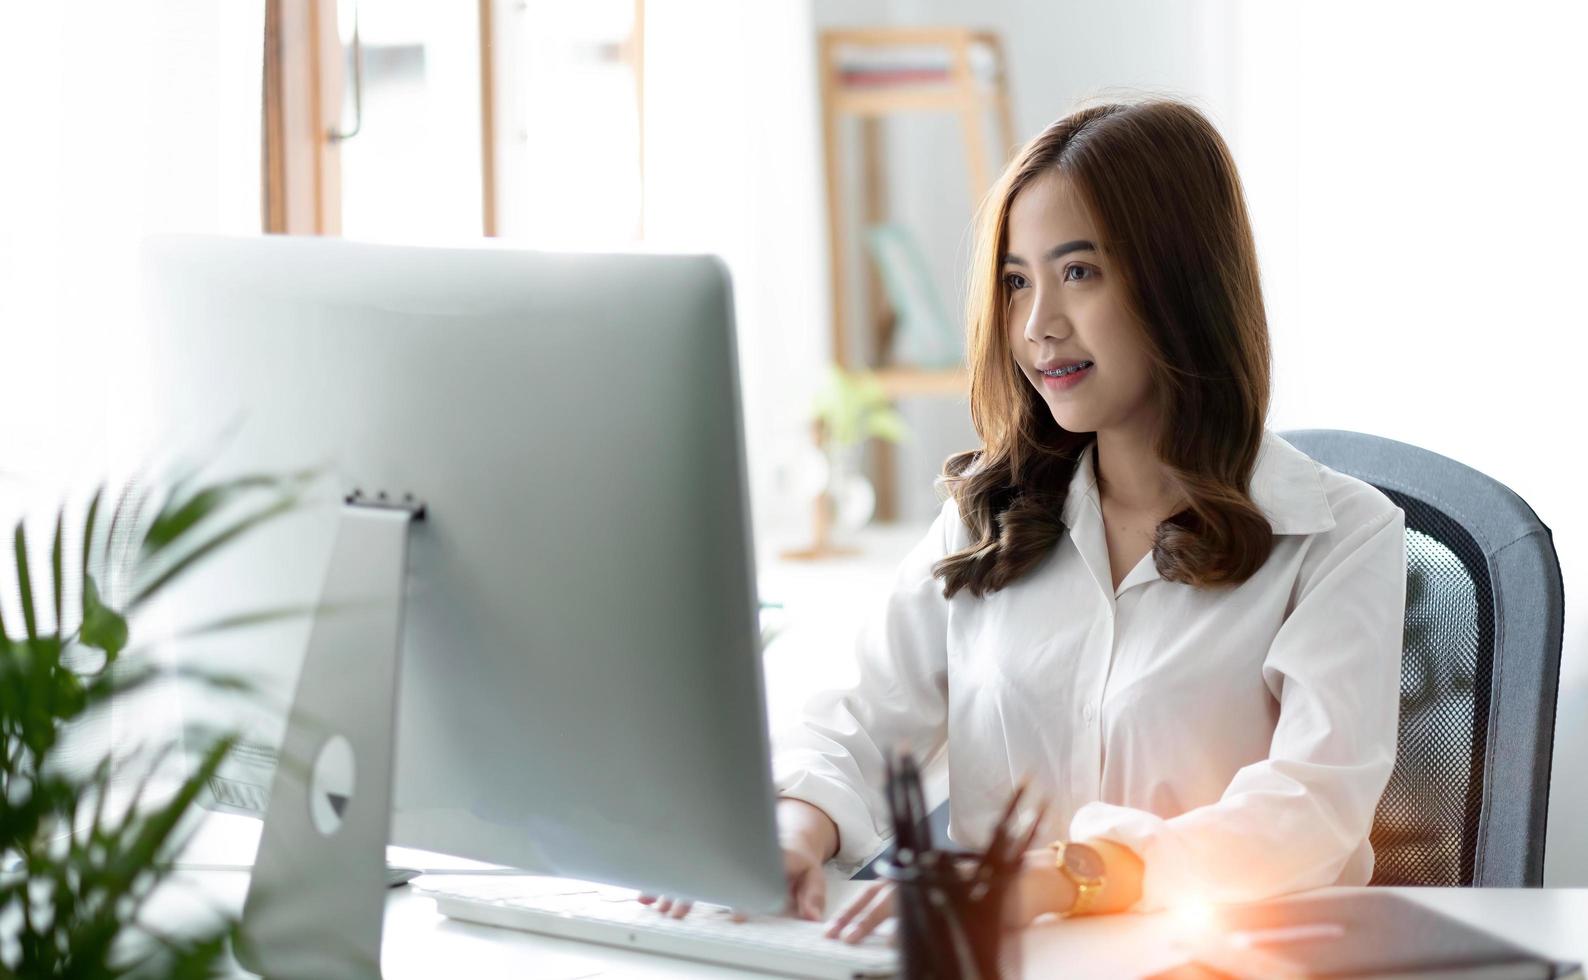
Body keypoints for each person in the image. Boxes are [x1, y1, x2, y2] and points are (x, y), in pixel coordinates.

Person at [644, 96, 1407, 944]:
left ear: (1181, 280)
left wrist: (1066, 879)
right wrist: (794, 829)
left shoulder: (1341, 537)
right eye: (1016, 282)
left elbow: (1314, 805)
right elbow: (856, 720)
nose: (1038, 325)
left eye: (1079, 272)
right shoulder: (993, 517)